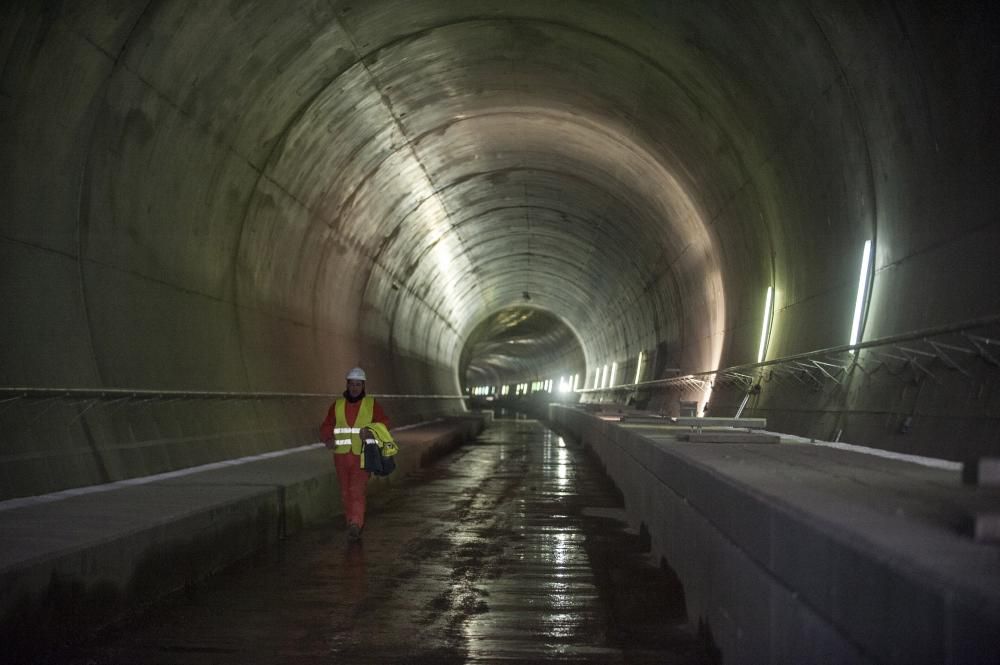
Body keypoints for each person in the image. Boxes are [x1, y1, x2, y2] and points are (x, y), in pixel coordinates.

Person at [320, 367, 390, 541]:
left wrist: (371, 432)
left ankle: (356, 524)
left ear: (363, 386)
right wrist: (328, 438)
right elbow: (327, 425)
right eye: (352, 384)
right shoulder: (337, 405)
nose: (354, 388)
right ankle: (351, 521)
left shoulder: (371, 404)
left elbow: (384, 423)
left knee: (356, 490)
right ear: (347, 385)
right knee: (345, 492)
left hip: (362, 455)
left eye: (358, 384)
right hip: (341, 456)